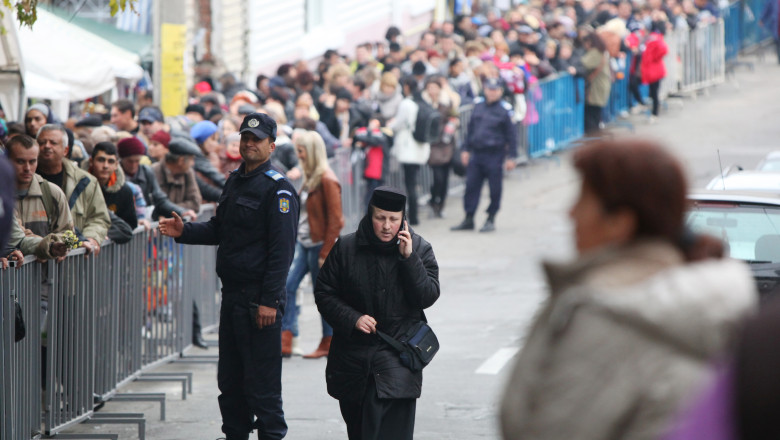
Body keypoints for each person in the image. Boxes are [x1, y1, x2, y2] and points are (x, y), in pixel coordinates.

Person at [499, 139, 757, 440]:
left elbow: (541, 427)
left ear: (620, 223)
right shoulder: (702, 297)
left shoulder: (603, 314)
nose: (571, 214)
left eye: (583, 200)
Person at [159, 112, 298, 440]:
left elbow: (282, 254)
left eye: (257, 139)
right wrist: (185, 231)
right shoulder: (235, 180)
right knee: (231, 383)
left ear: (271, 145)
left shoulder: (278, 191)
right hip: (233, 296)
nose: (249, 144)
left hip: (258, 303)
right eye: (245, 138)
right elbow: (221, 229)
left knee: (262, 387)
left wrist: (268, 301)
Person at [314, 186, 440, 440]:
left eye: (393, 219)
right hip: (353, 358)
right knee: (360, 431)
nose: (386, 226)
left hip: (399, 357)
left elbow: (427, 296)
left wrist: (409, 259)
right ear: (369, 215)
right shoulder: (347, 247)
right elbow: (324, 292)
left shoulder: (420, 248)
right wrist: (353, 318)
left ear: (403, 219)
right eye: (380, 217)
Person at [281, 130, 344, 358]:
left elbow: (336, 220)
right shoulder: (311, 179)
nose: (298, 156)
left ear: (311, 152)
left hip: (318, 246)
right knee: (288, 286)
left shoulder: (327, 180)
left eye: (301, 151)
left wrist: (326, 251)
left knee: (322, 296)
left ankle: (328, 341)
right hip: (305, 243)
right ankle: (285, 337)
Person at [451, 78, 517, 233]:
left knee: (495, 189)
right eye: (489, 89)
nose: (492, 92)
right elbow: (471, 129)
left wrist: (512, 157)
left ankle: (491, 218)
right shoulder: (479, 106)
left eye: (495, 90)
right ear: (485, 90)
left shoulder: (505, 110)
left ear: (500, 91)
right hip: (477, 154)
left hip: (495, 155)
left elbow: (512, 135)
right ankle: (469, 218)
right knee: (471, 187)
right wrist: (465, 149)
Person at [36, 124, 110, 255]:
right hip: (32, 260)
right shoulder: (23, 179)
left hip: (72, 262)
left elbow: (98, 218)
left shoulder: (86, 181)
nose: (47, 146)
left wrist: (90, 239)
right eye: (42, 142)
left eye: (53, 143)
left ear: (65, 150)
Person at [7, 134, 73, 237]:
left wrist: (53, 246)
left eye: (32, 161)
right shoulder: (3, 194)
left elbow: (67, 234)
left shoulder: (52, 193)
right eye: (20, 161)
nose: (27, 168)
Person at [118, 137, 197, 220]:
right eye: (130, 161)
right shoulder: (115, 175)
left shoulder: (146, 172)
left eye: (137, 161)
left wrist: (181, 211)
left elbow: (160, 199)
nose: (133, 165)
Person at [390, 77, 430, 226]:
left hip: (408, 148)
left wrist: (388, 125)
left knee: (410, 184)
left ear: (406, 87)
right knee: (413, 182)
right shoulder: (422, 101)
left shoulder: (407, 103)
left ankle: (413, 215)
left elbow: (399, 123)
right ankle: (414, 214)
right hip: (420, 147)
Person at [422, 75, 459, 218]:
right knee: (437, 177)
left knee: (445, 178)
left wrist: (453, 124)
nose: (432, 90)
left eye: (435, 87)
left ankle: (441, 204)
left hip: (446, 144)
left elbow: (455, 117)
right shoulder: (424, 105)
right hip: (432, 145)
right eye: (430, 88)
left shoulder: (446, 103)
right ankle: (433, 200)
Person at [89, 142, 137, 230]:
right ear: (91, 161)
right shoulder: (78, 186)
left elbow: (130, 225)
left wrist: (105, 235)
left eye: (110, 161)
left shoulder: (124, 191)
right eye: (101, 160)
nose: (105, 166)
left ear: (116, 165)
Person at [152, 138, 203, 214]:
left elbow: (195, 203)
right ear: (181, 160)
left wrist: (168, 209)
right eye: (191, 159)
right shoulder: (153, 171)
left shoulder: (188, 173)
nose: (193, 164)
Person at [641, 17, 668, 123]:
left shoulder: (654, 38)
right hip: (652, 70)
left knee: (654, 93)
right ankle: (653, 112)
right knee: (653, 93)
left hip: (655, 71)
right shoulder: (651, 38)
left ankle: (655, 113)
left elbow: (664, 49)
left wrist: (655, 58)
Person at [760, 0, 780, 64]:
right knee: (777, 42)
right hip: (776, 25)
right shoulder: (772, 1)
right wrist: (762, 19)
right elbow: (767, 10)